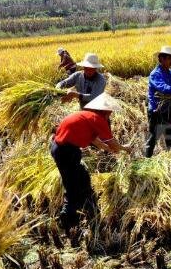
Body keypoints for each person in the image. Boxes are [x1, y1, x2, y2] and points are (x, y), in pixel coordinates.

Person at [50, 93, 129, 232]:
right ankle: (68, 220)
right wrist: (124, 148)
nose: (110, 114)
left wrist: (109, 149)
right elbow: (113, 144)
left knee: (82, 177)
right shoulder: (98, 119)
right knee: (73, 185)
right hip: (68, 151)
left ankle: (88, 206)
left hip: (58, 149)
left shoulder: (85, 116)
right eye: (110, 112)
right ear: (107, 111)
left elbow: (96, 141)